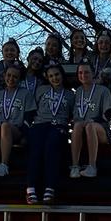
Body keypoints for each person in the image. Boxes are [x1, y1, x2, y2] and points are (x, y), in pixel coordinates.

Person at [26, 64, 73, 203]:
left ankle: (50, 187)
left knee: (51, 148)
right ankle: (30, 189)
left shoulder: (70, 94)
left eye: (57, 74)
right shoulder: (42, 90)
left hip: (59, 126)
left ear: (62, 75)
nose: (54, 78)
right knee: (36, 150)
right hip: (40, 124)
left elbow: (72, 114)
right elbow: (33, 108)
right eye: (51, 76)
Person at [70, 62, 111, 179]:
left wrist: (92, 120)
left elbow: (108, 113)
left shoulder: (103, 90)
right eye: (80, 73)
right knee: (77, 125)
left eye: (86, 72)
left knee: (90, 125)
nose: (83, 75)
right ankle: (75, 166)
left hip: (100, 129)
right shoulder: (78, 91)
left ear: (93, 73)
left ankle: (92, 167)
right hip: (81, 128)